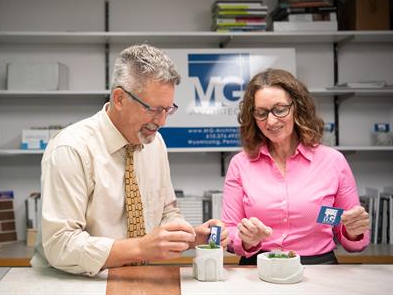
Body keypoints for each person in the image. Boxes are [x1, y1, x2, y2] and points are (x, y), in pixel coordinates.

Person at [31, 44, 227, 276]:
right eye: (154, 109)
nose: (162, 121)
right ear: (120, 98)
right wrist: (140, 248)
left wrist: (189, 237)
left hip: (136, 279)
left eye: (168, 109)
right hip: (72, 283)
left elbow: (166, 212)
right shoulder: (71, 148)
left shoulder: (156, 143)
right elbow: (60, 245)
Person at [222, 68, 370, 265]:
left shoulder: (333, 162)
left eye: (280, 109)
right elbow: (229, 229)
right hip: (258, 270)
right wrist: (246, 240)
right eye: (261, 113)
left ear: (297, 108)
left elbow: (349, 234)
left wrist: (353, 231)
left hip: (319, 270)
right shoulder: (240, 164)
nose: (271, 121)